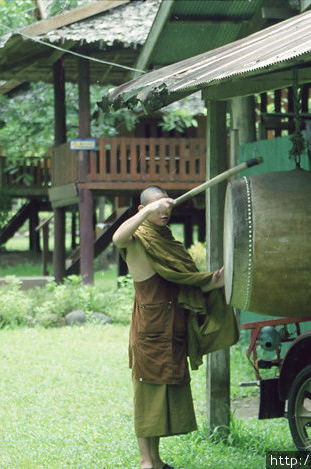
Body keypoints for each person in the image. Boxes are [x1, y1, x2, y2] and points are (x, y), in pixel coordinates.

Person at [112, 185, 226, 469]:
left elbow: (187, 279)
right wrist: (148, 211)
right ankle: (145, 462)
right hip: (150, 329)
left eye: (167, 208)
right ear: (143, 210)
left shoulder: (166, 240)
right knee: (147, 395)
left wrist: (216, 280)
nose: (165, 213)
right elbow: (117, 237)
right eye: (158, 208)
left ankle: (156, 460)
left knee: (161, 396)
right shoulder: (137, 238)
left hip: (172, 325)